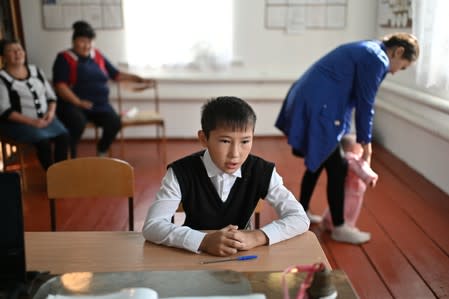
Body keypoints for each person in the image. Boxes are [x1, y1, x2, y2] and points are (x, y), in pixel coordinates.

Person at [275, 32, 419, 244]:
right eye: (403, 66)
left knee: (318, 161)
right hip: (318, 106)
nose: (397, 72)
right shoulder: (377, 58)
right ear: (398, 52)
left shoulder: (369, 48)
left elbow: (347, 92)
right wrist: (366, 144)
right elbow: (365, 104)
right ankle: (340, 227)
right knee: (337, 167)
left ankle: (301, 212)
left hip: (310, 100)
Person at [142, 96, 310, 256]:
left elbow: (299, 218)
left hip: (243, 255)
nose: (235, 154)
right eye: (225, 141)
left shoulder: (261, 170)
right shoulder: (181, 172)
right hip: (193, 256)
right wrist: (204, 241)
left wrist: (257, 236)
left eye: (245, 141)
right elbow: (153, 225)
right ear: (203, 138)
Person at [52, 20, 153, 158]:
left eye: (89, 41)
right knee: (77, 124)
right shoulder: (64, 58)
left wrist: (138, 78)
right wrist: (78, 102)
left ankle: (102, 150)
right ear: (74, 41)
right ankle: (68, 158)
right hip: (74, 105)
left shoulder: (97, 55)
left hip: (99, 106)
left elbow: (115, 74)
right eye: (82, 41)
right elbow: (60, 86)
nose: (86, 45)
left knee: (115, 122)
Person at [0, 39, 69, 170]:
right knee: (43, 142)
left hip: (46, 118)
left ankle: (61, 173)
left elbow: (51, 97)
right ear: (3, 57)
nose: (17, 53)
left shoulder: (35, 70)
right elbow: (4, 110)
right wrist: (32, 122)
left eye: (19, 50)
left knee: (63, 136)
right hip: (18, 123)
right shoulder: (2, 78)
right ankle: (51, 176)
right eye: (11, 51)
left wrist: (50, 113)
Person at [321, 134, 378, 236]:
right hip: (353, 192)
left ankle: (328, 221)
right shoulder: (352, 160)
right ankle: (344, 226)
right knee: (349, 210)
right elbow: (362, 170)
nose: (361, 151)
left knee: (339, 204)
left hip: (348, 189)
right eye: (360, 149)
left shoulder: (344, 159)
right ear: (353, 149)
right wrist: (370, 178)